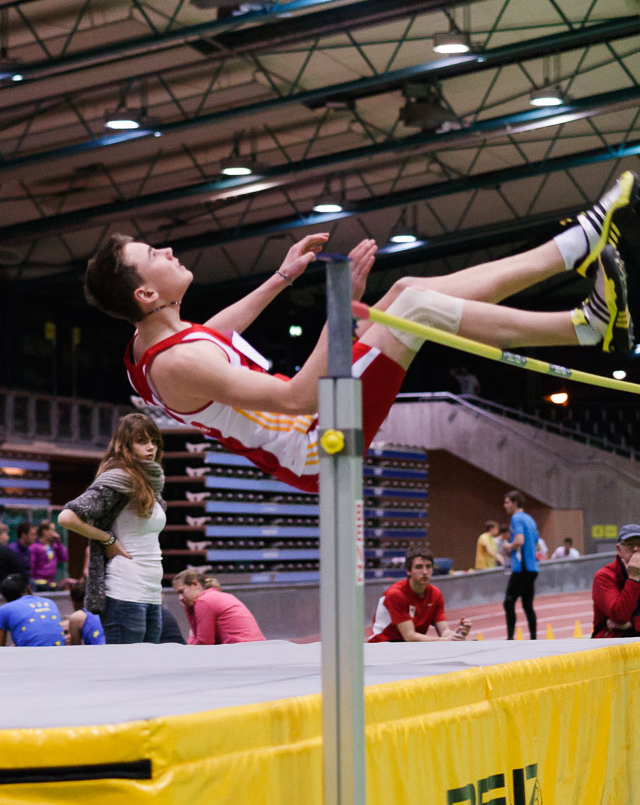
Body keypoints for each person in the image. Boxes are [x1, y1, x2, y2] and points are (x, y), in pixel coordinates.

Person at [83, 172, 638, 493]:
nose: (170, 250)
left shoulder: (152, 346)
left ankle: (583, 310)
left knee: (410, 294)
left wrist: (282, 277)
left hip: (312, 424)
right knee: (415, 306)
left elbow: (213, 335)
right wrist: (340, 309)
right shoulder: (176, 364)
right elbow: (296, 397)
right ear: (145, 295)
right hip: (312, 441)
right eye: (155, 254)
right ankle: (579, 298)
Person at [58, 413, 166, 645]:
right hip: (124, 589)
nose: (150, 447)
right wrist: (107, 539)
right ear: (124, 445)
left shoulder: (150, 485)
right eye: (142, 441)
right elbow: (67, 517)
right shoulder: (118, 480)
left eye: (154, 441)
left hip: (151, 591)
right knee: (127, 671)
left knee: (150, 669)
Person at [368, 545, 471, 642]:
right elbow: (410, 636)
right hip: (382, 645)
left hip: (407, 647)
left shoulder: (435, 594)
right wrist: (444, 640)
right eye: (419, 567)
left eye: (428, 567)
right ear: (408, 571)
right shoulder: (396, 594)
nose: (425, 572)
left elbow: (444, 632)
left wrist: (457, 635)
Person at [172, 570, 265, 645]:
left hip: (242, 651)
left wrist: (191, 640)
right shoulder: (217, 595)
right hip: (254, 648)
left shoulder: (204, 601)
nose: (180, 598)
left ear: (195, 584)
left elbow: (204, 644)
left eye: (181, 592)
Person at [502, 490, 539, 640]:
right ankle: (533, 638)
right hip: (532, 568)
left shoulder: (516, 518)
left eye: (507, 502)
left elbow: (519, 540)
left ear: (515, 503)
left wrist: (508, 547)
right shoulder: (530, 519)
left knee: (508, 603)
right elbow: (535, 541)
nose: (504, 505)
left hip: (521, 568)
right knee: (527, 605)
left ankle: (510, 639)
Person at [592, 524, 640, 637]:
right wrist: (633, 578)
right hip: (613, 644)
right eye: (630, 544)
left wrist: (633, 623)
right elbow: (620, 616)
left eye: (639, 544)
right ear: (619, 549)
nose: (635, 549)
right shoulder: (604, 576)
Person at [0, 573, 64, 647]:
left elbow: (1, 648)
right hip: (59, 653)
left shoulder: (4, 609)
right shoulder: (49, 602)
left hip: (31, 655)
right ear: (29, 588)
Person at [28, 520, 69, 591]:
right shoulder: (34, 547)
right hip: (39, 583)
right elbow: (31, 566)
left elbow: (65, 558)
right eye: (52, 530)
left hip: (52, 582)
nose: (54, 533)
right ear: (44, 531)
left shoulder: (55, 546)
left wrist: (59, 542)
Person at [67, 581, 105, 645]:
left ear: (72, 600)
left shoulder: (76, 617)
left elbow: (75, 649)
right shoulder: (104, 610)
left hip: (100, 652)